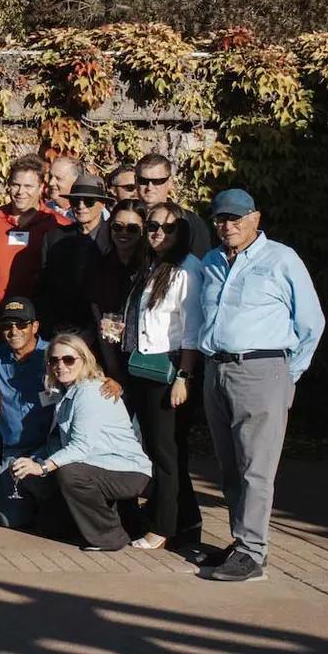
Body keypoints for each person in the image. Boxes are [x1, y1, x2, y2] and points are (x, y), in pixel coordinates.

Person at [193, 189, 323, 582]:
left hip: (262, 369)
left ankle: (253, 552)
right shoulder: (212, 261)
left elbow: (311, 323)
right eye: (220, 219)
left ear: (255, 218)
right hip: (217, 370)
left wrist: (287, 374)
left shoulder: (281, 259)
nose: (227, 225)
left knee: (256, 468)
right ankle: (241, 543)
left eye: (235, 218)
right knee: (229, 466)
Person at [10, 332, 152, 552]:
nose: (61, 365)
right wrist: (32, 461)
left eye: (69, 359)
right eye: (54, 360)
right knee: (49, 524)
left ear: (84, 360)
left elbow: (79, 448)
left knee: (69, 473)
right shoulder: (63, 392)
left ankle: (110, 537)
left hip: (125, 470)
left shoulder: (90, 392)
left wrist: (42, 466)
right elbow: (59, 442)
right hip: (94, 467)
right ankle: (107, 520)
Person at [123, 202, 203, 551]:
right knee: (160, 449)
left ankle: (163, 527)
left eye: (168, 228)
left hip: (168, 370)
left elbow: (191, 332)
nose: (158, 233)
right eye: (152, 226)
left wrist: (183, 377)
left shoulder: (187, 270)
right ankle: (186, 522)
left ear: (181, 232)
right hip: (143, 366)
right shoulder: (152, 266)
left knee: (166, 452)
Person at [0, 155, 71, 330]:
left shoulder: (58, 226)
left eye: (28, 186)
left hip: (36, 330)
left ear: (41, 188)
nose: (20, 191)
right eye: (16, 185)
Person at [0, 297, 48, 528]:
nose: (14, 331)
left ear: (35, 327)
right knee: (8, 521)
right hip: (14, 451)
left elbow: (87, 372)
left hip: (51, 448)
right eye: (7, 326)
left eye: (21, 325)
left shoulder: (55, 355)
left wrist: (109, 381)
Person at [36, 174, 114, 336]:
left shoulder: (116, 237)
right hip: (62, 330)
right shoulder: (54, 238)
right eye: (75, 201)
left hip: (102, 331)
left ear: (102, 204)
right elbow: (43, 287)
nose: (81, 206)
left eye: (88, 201)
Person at [81, 201, 149, 377]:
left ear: (144, 231)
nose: (123, 233)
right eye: (117, 227)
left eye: (132, 229)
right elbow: (98, 317)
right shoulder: (100, 266)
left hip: (147, 355)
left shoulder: (151, 268)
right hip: (110, 350)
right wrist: (112, 367)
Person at [134, 154, 212, 259]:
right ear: (135, 181)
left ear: (170, 182)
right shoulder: (128, 220)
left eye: (157, 181)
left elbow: (201, 264)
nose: (150, 187)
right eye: (143, 181)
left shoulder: (188, 222)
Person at [45, 155, 83, 221]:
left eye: (59, 178)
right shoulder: (42, 212)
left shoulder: (90, 213)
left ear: (76, 181)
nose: (51, 183)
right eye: (50, 177)